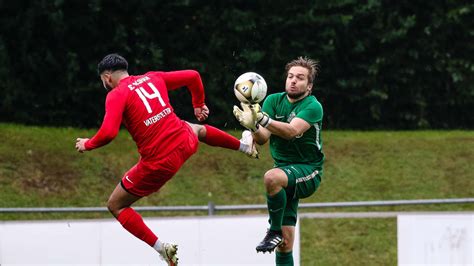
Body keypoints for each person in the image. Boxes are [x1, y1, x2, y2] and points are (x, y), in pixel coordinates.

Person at [75, 53, 257, 266]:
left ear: (107, 77)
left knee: (116, 205)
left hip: (158, 163)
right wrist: (198, 104)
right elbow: (193, 76)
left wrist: (87, 144)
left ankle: (162, 248)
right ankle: (245, 147)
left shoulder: (116, 94)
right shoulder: (153, 77)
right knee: (197, 129)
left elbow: (108, 133)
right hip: (184, 142)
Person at [233, 56, 324, 266]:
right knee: (285, 243)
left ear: (309, 86)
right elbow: (263, 139)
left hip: (309, 171)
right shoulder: (273, 100)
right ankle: (277, 234)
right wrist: (254, 128)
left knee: (271, 177)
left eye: (300, 78)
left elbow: (291, 131)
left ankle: (273, 230)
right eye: (290, 76)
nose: (293, 81)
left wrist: (261, 119)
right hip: (285, 171)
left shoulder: (313, 106)